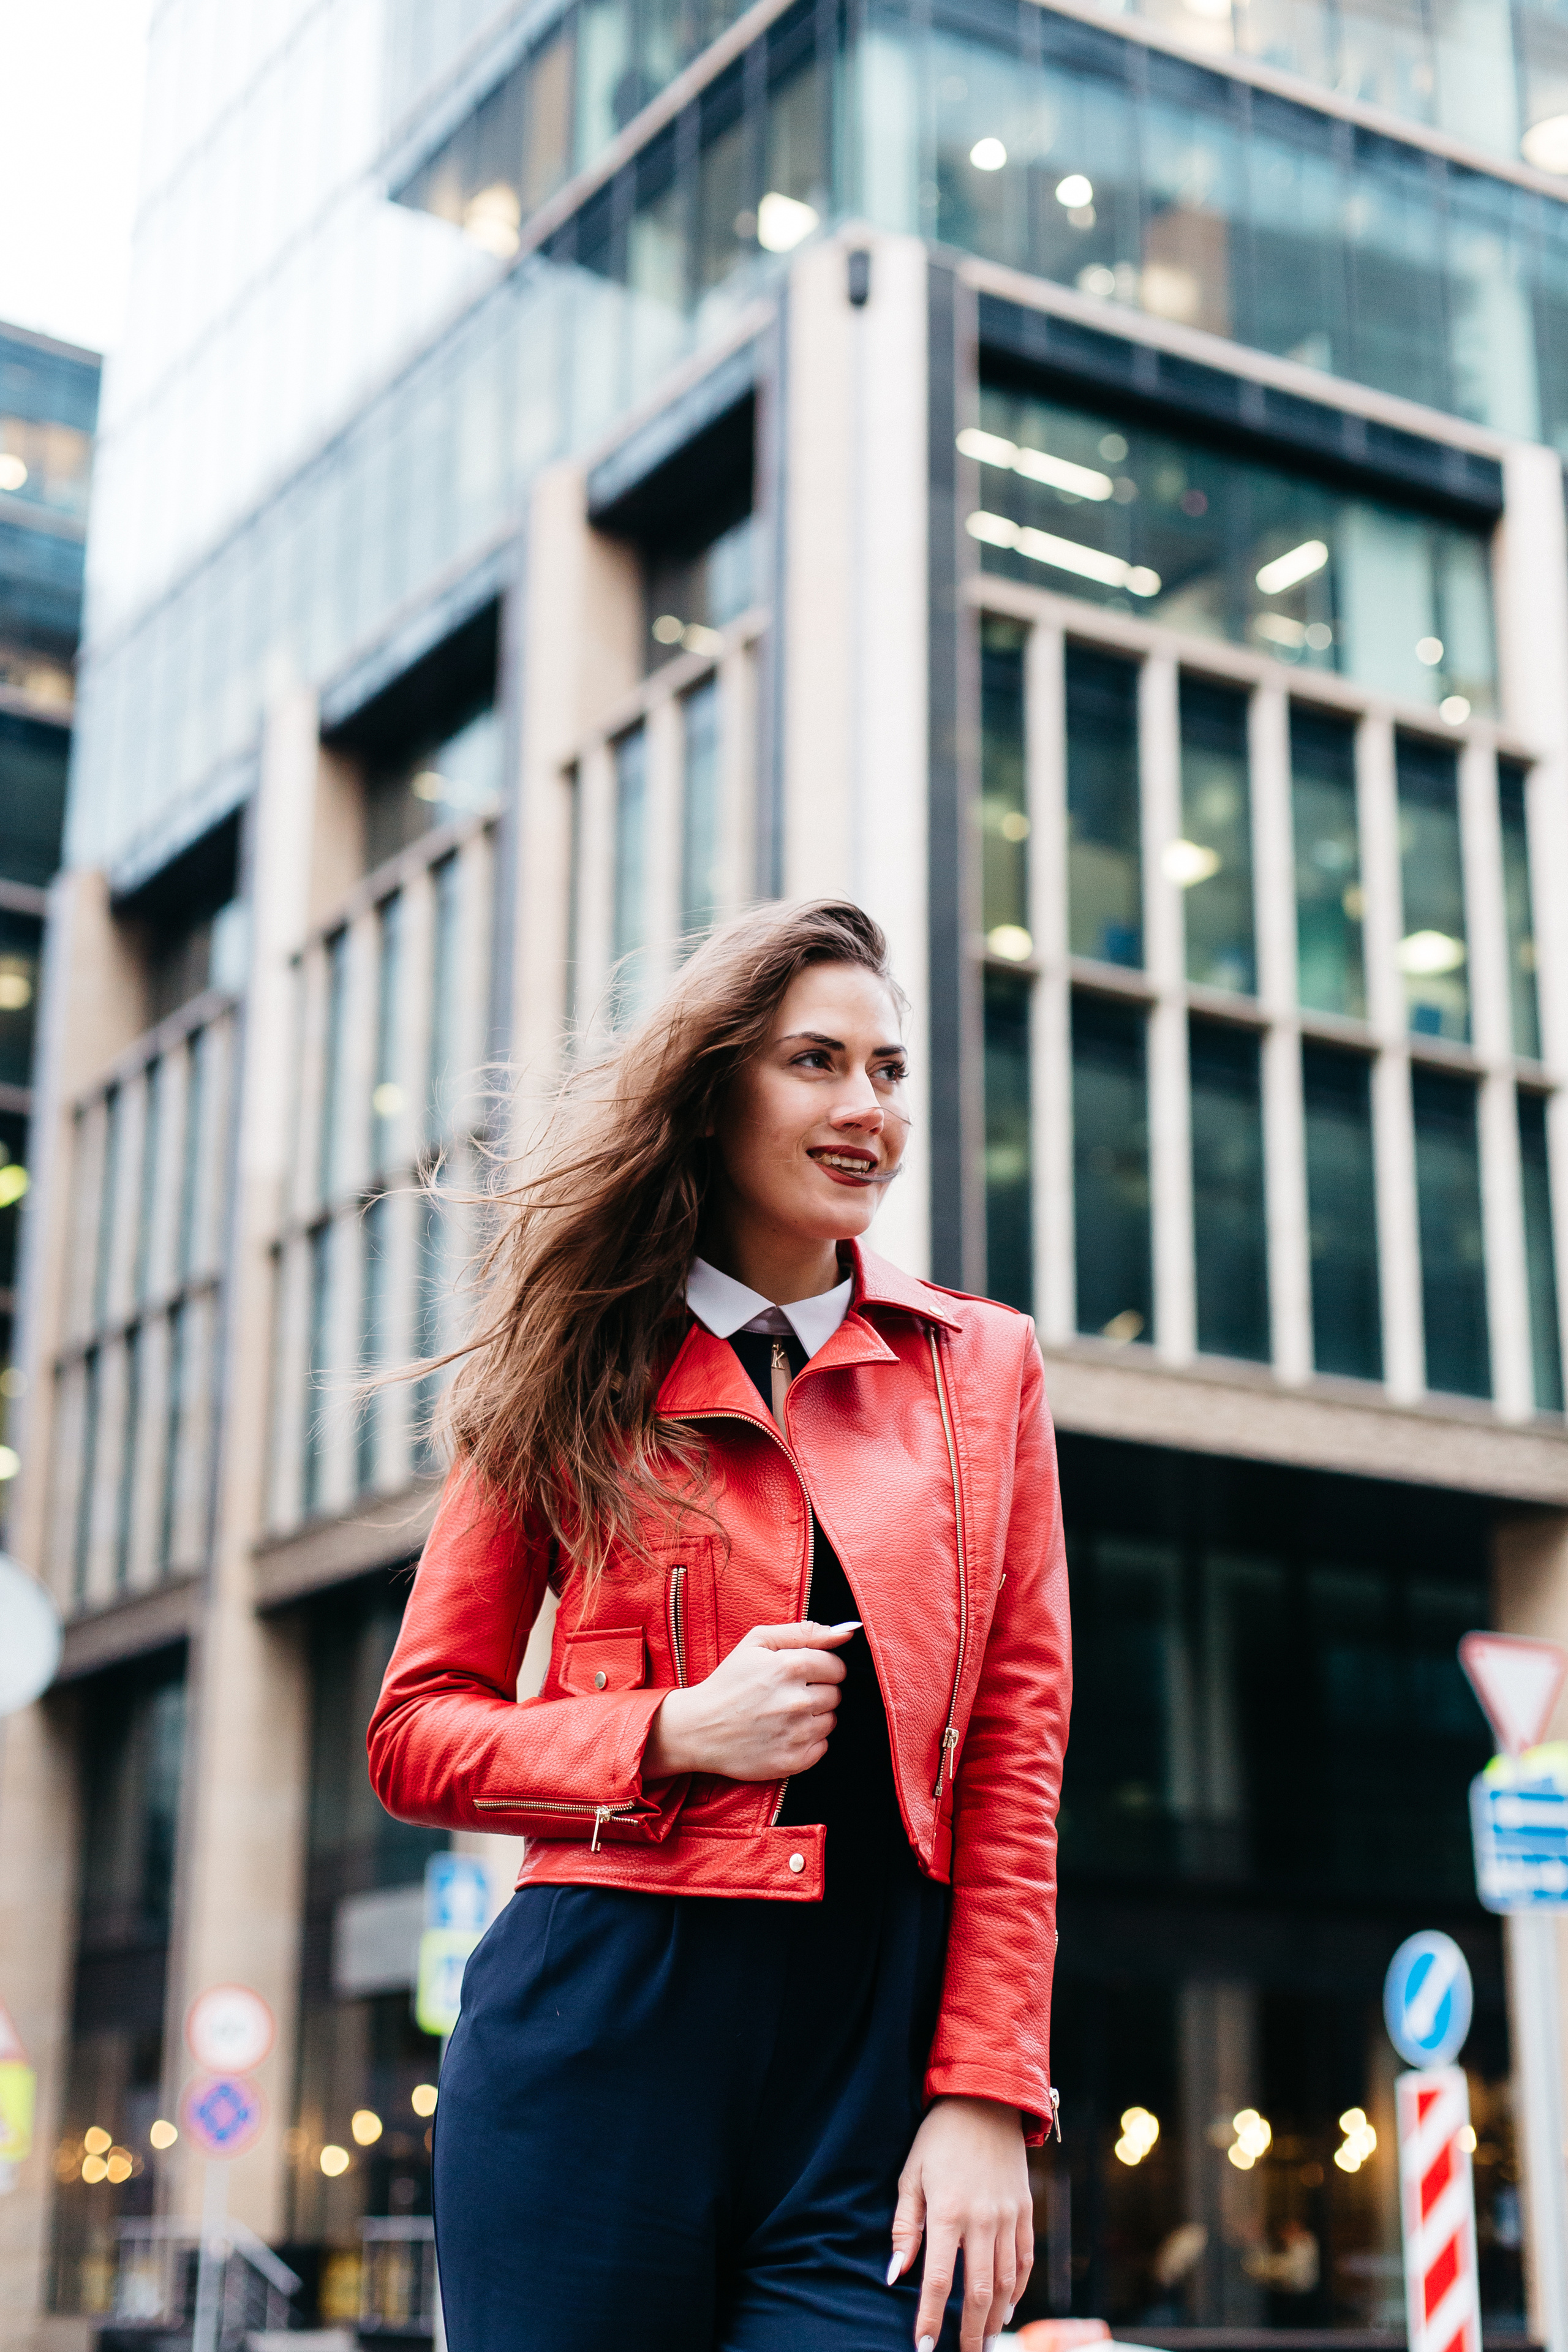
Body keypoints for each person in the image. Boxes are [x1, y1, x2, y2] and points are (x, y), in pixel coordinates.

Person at [368, 898, 1072, 2352]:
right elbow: (415, 1735)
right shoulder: (568, 1366)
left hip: (864, 2068)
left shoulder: (979, 1366)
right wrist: (673, 1731)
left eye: (887, 1071)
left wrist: (986, 2087)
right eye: (815, 1062)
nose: (865, 1108)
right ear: (714, 1093)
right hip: (597, 2038)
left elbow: (1014, 1746)